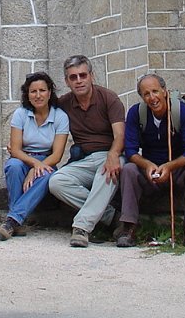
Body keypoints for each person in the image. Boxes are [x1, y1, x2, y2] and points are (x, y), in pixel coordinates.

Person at [116, 73, 185, 247]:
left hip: (175, 170)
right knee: (128, 169)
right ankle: (128, 227)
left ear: (165, 91)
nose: (152, 98)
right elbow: (131, 150)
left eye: (155, 91)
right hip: (149, 171)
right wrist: (147, 165)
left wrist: (170, 166)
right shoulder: (136, 113)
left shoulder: (182, 112)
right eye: (146, 94)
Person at [48, 55, 125, 248]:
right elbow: (39, 112)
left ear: (91, 76)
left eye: (83, 75)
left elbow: (120, 136)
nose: (79, 80)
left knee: (106, 174)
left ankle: (82, 228)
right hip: (86, 158)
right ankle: (110, 215)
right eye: (73, 77)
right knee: (56, 181)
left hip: (113, 153)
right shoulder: (64, 104)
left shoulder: (109, 98)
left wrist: (113, 155)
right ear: (67, 81)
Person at [0, 71, 70, 241]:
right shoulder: (21, 114)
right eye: (33, 91)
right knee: (13, 166)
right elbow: (15, 149)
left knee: (47, 173)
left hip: (47, 159)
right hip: (22, 157)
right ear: (27, 95)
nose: (38, 95)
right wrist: (34, 164)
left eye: (42, 90)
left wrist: (37, 167)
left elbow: (57, 155)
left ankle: (12, 220)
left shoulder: (60, 117)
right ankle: (17, 221)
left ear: (50, 92)